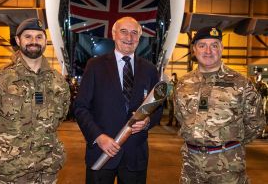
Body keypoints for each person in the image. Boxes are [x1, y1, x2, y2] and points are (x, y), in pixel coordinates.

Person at [0, 18, 70, 183]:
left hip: (46, 170)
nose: (33, 41)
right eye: (28, 36)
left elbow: (60, 117)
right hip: (9, 171)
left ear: (45, 41)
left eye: (39, 37)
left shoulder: (58, 82)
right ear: (18, 40)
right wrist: (8, 142)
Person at [74, 17, 163, 184]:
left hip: (135, 156)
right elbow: (80, 107)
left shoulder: (150, 70)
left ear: (139, 37)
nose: (129, 38)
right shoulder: (95, 66)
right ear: (114, 34)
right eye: (124, 31)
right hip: (101, 152)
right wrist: (99, 137)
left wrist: (148, 121)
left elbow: (158, 107)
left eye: (134, 33)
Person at [173, 26, 266, 183]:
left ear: (221, 48)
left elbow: (256, 123)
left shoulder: (241, 83)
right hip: (191, 166)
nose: (208, 51)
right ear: (194, 49)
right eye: (202, 45)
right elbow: (181, 117)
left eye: (214, 45)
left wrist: (231, 143)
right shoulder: (183, 84)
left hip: (228, 167)